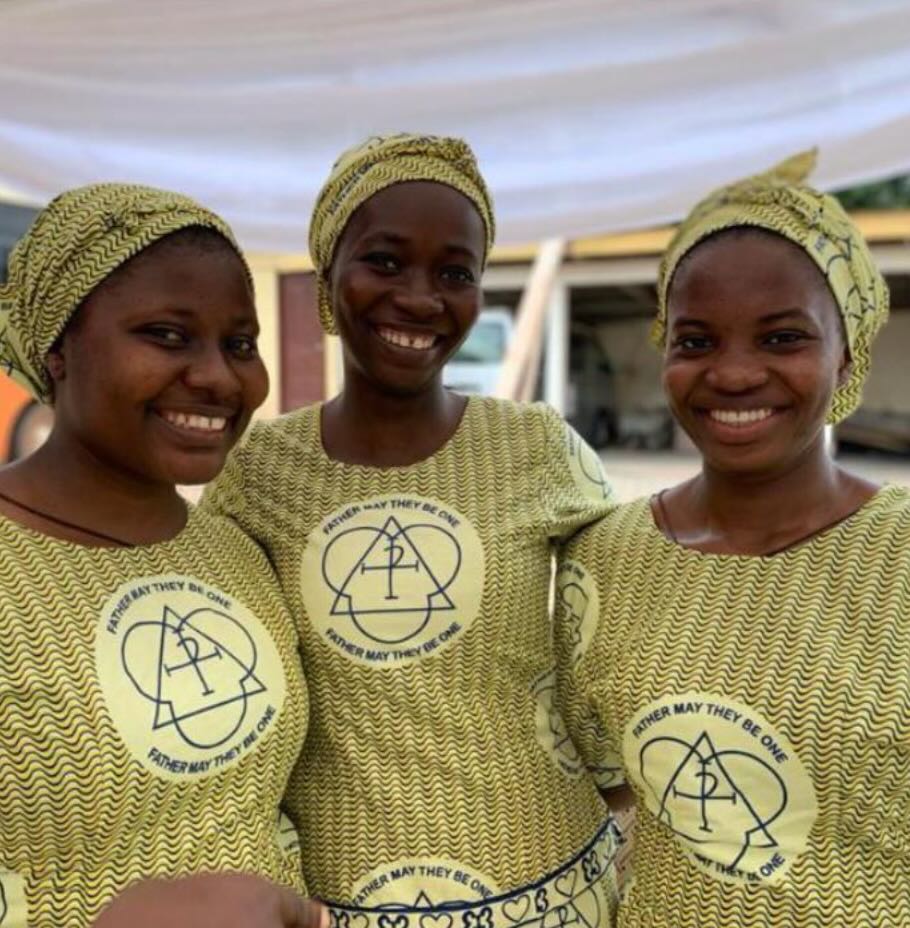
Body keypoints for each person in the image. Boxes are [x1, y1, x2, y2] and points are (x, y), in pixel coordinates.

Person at [204, 133, 622, 928]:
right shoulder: (258, 470)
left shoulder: (535, 446)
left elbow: (624, 635)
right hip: (337, 899)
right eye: (386, 262)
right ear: (327, 278)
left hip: (552, 885)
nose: (422, 298)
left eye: (455, 273)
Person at [554, 150, 906, 926]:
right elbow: (600, 782)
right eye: (696, 341)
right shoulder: (606, 556)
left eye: (782, 339)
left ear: (845, 350)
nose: (735, 373)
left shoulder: (900, 556)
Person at [0, 183, 320, 928]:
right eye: (167, 336)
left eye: (239, 345)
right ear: (57, 349)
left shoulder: (234, 549)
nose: (217, 377)